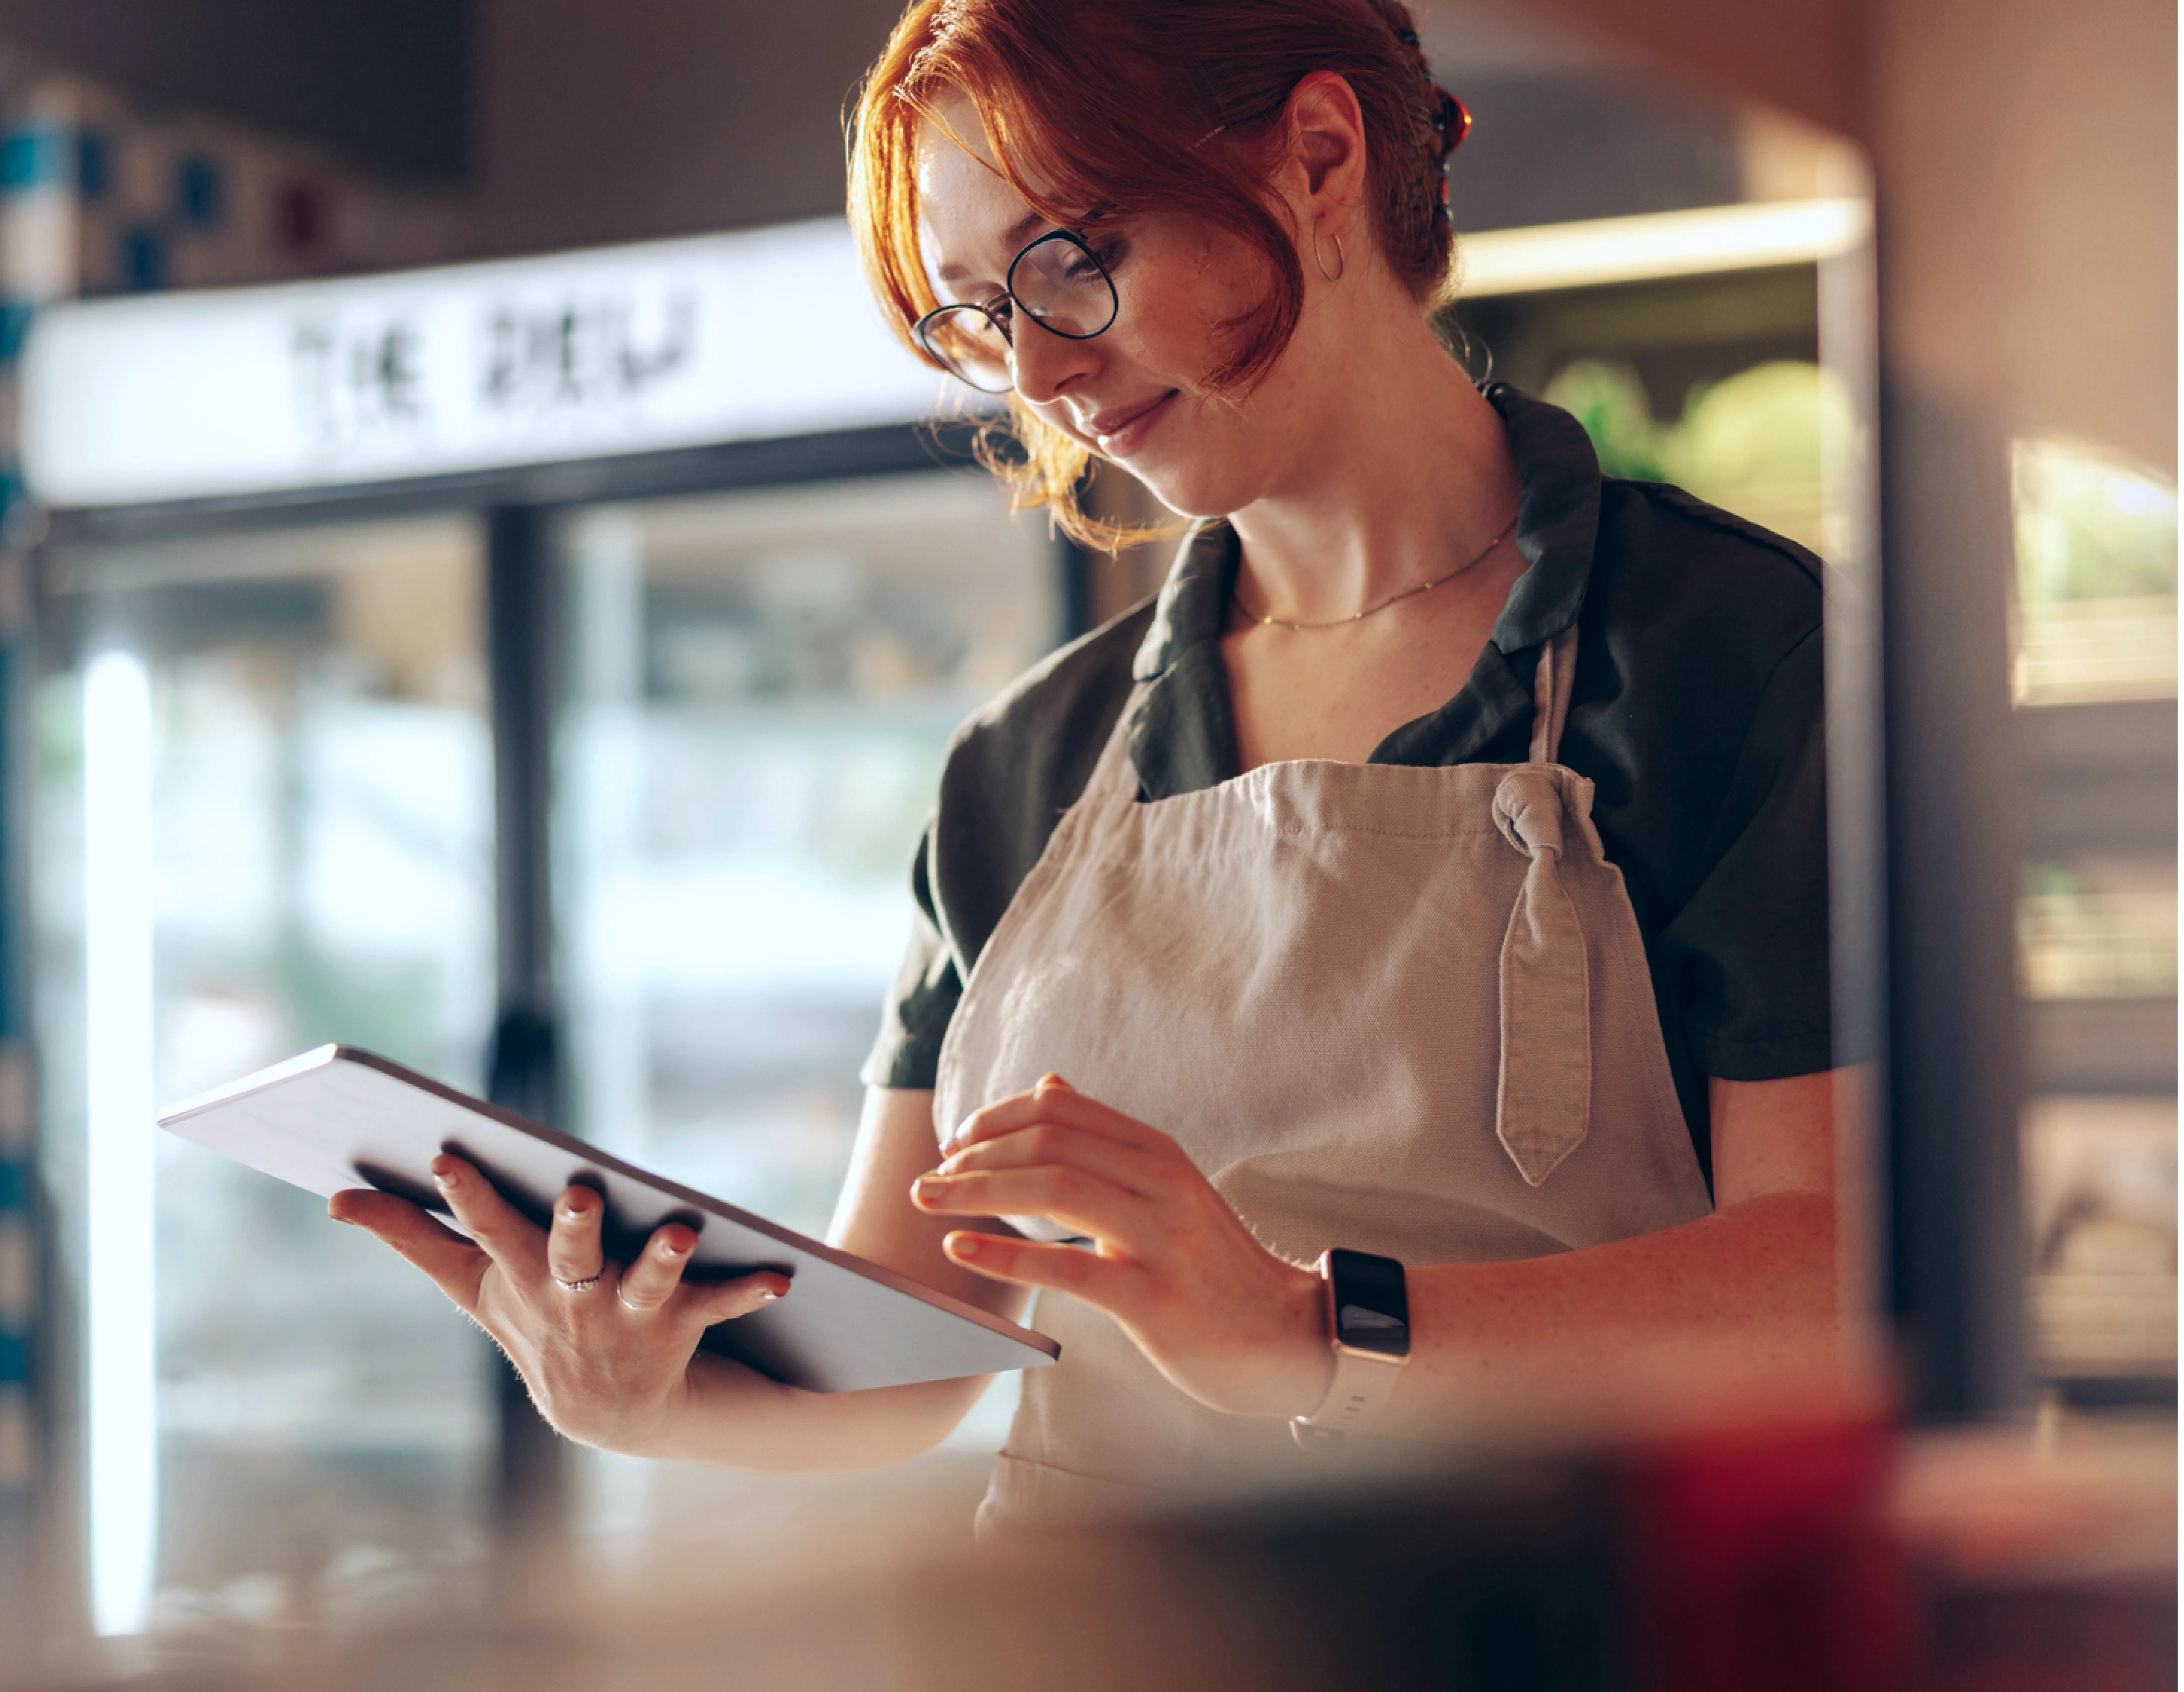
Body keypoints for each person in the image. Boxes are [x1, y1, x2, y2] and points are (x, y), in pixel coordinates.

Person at [336, 0, 1847, 1532]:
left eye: (1071, 262)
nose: (1042, 374)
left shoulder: (1737, 653)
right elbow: (910, 1361)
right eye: (981, 317)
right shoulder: (1024, 766)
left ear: (1320, 159)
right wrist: (652, 1394)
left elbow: (1832, 1270)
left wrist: (1316, 1336)